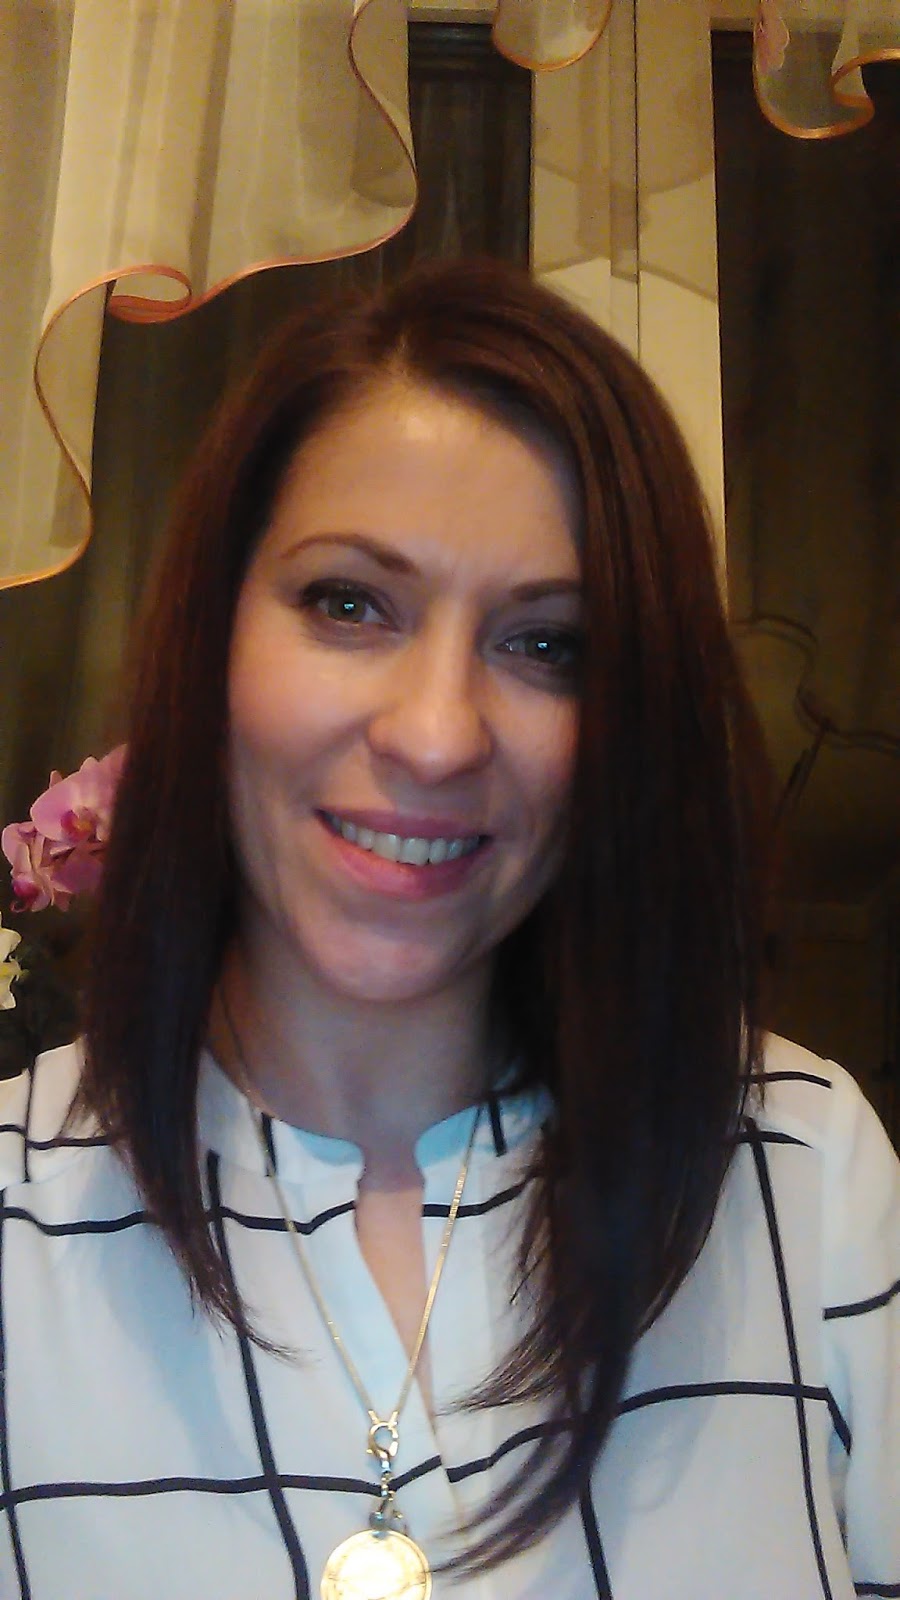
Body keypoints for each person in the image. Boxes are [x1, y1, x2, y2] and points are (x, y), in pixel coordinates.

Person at [0, 259, 896, 1600]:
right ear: (211, 634)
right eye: (349, 603)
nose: (435, 735)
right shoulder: (18, 1220)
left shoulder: (801, 1173)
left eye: (550, 646)